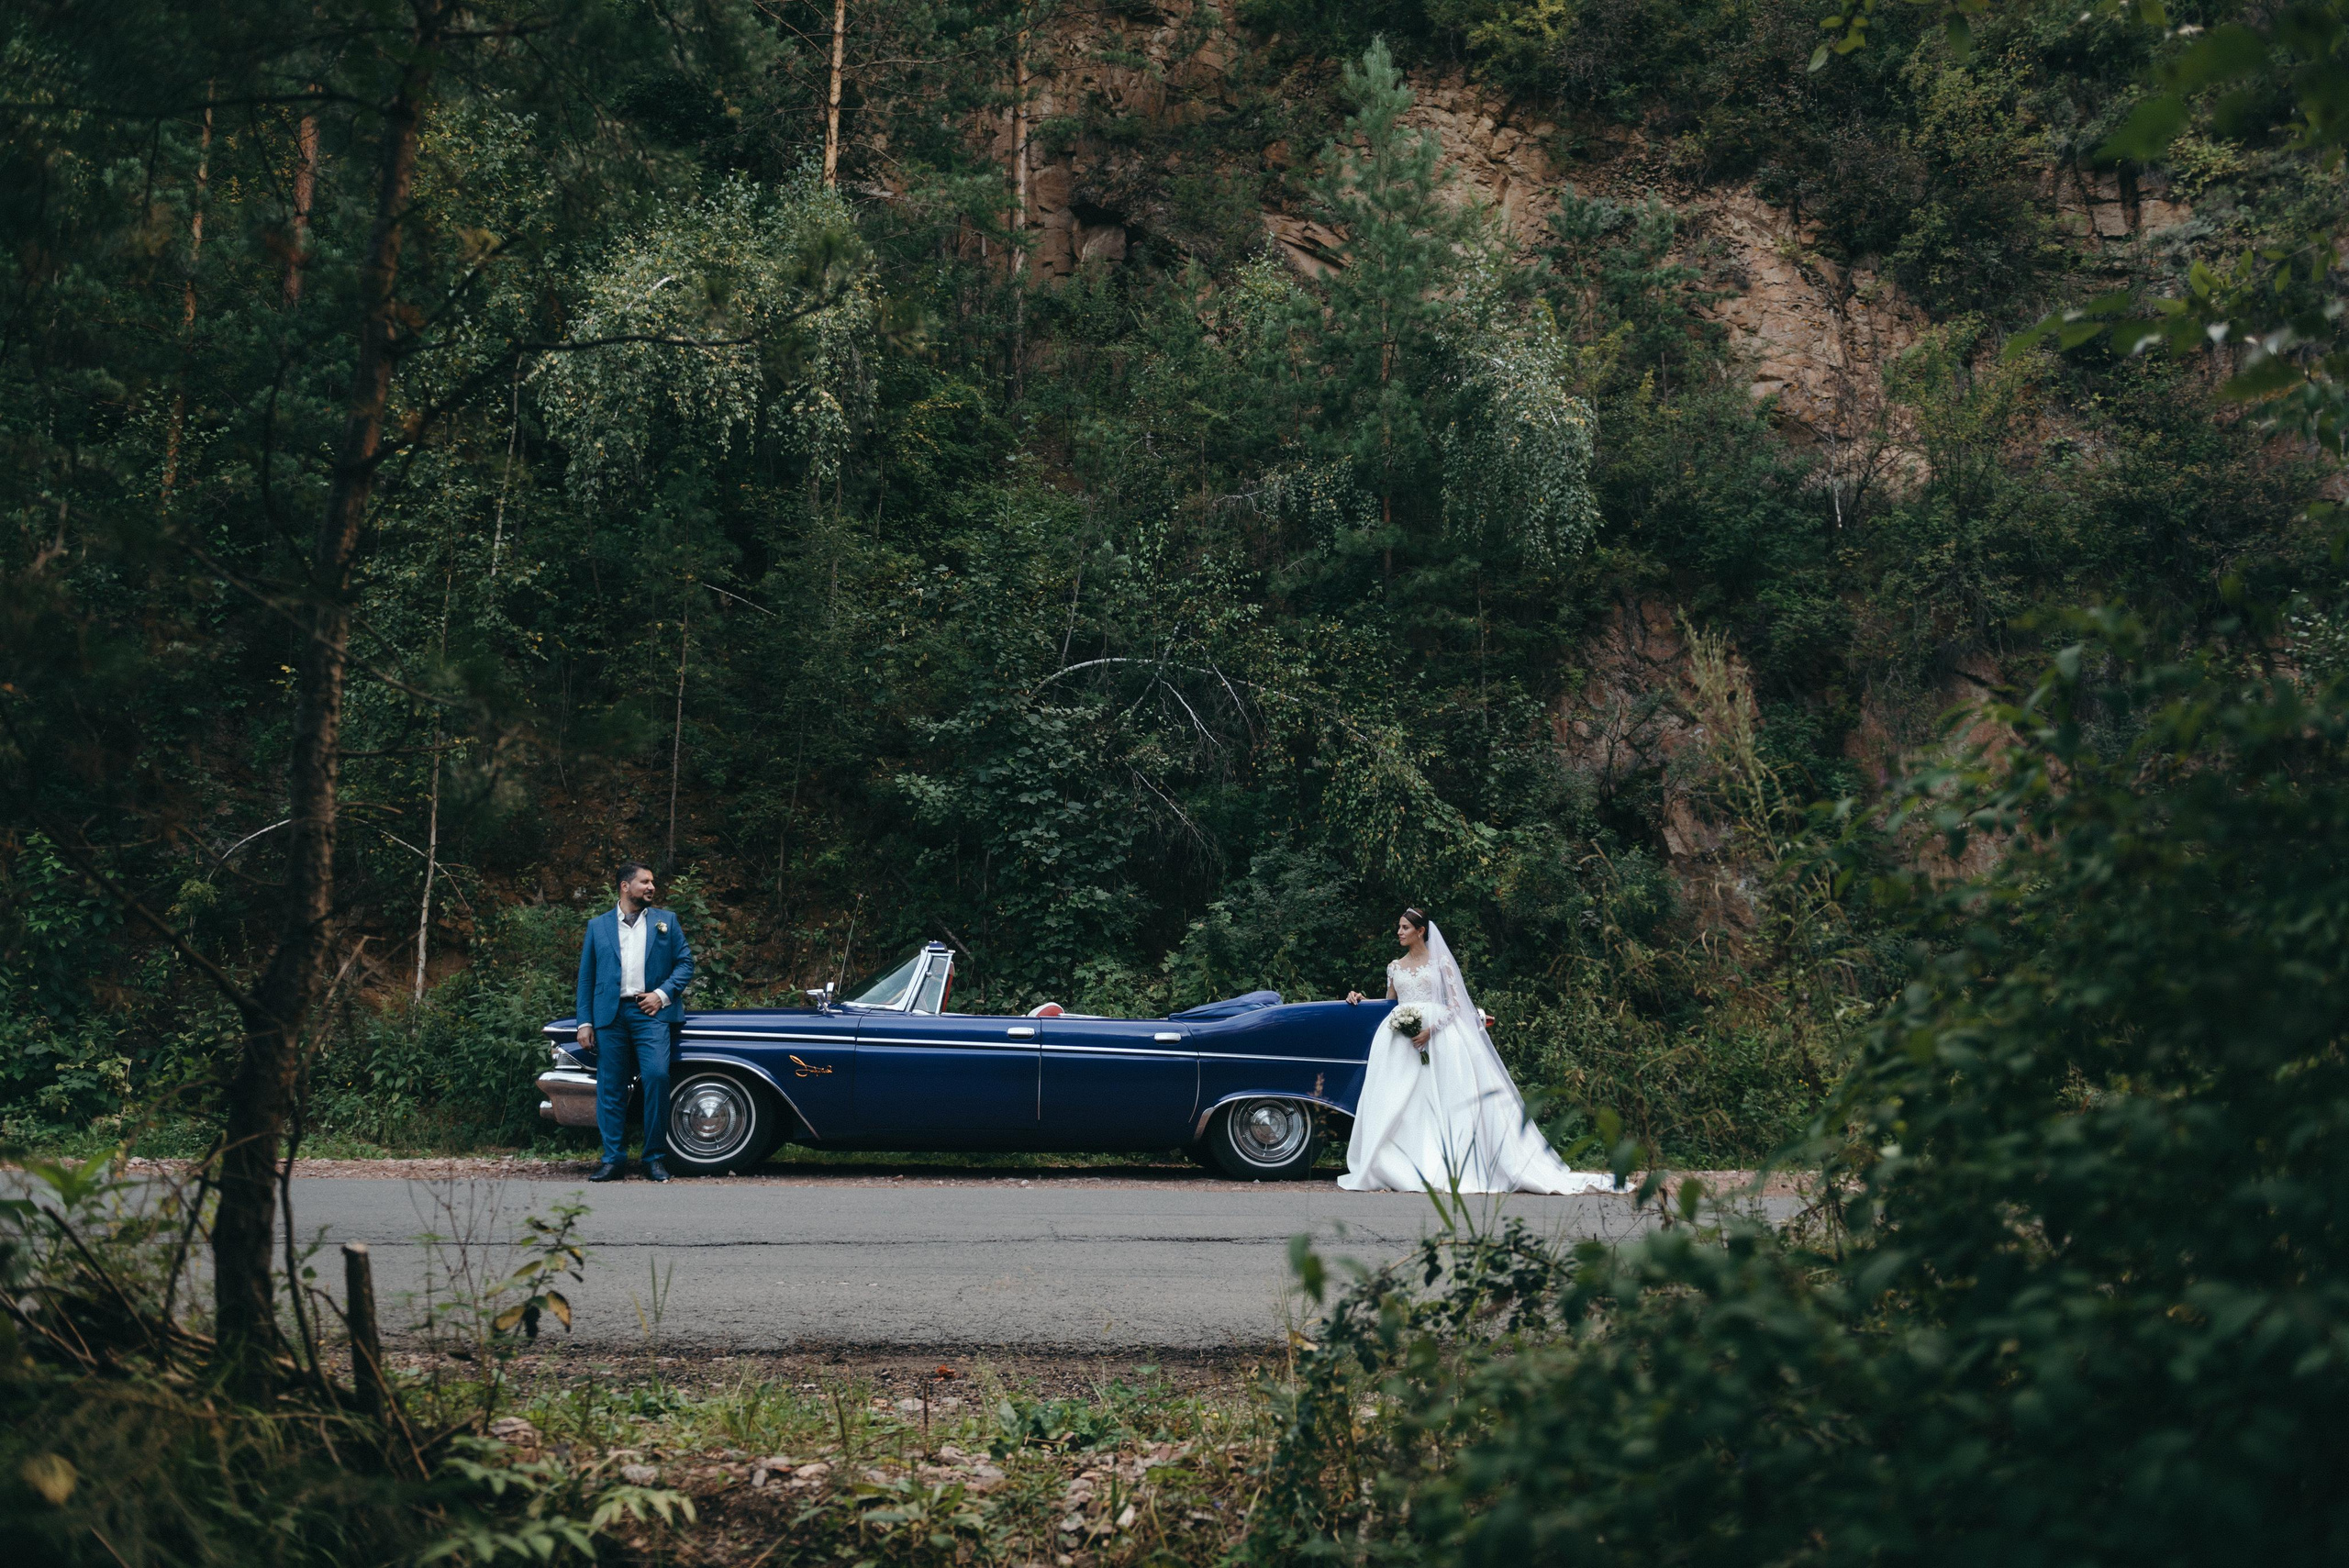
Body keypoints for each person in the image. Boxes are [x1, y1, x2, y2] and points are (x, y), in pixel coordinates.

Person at [1341, 907, 1613, 1195]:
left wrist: (1430, 1031)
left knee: (1441, 1101)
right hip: (1403, 1044)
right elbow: (1390, 1004)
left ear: (1421, 931)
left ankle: (1448, 1164)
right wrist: (1360, 998)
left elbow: (1456, 1007)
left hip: (1438, 1038)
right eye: (1399, 927)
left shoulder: (1440, 963)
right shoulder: (1395, 966)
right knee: (1404, 1104)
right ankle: (1401, 1163)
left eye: (1405, 927)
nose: (1399, 932)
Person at [576, 862, 695, 1182]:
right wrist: (584, 1021)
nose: (651, 887)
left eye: (652, 882)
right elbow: (586, 977)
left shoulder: (665, 921)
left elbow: (685, 964)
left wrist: (661, 994)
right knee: (611, 1086)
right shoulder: (597, 926)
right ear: (625, 886)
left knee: (656, 1077)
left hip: (650, 1012)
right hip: (609, 1015)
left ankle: (654, 1158)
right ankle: (613, 1160)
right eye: (644, 882)